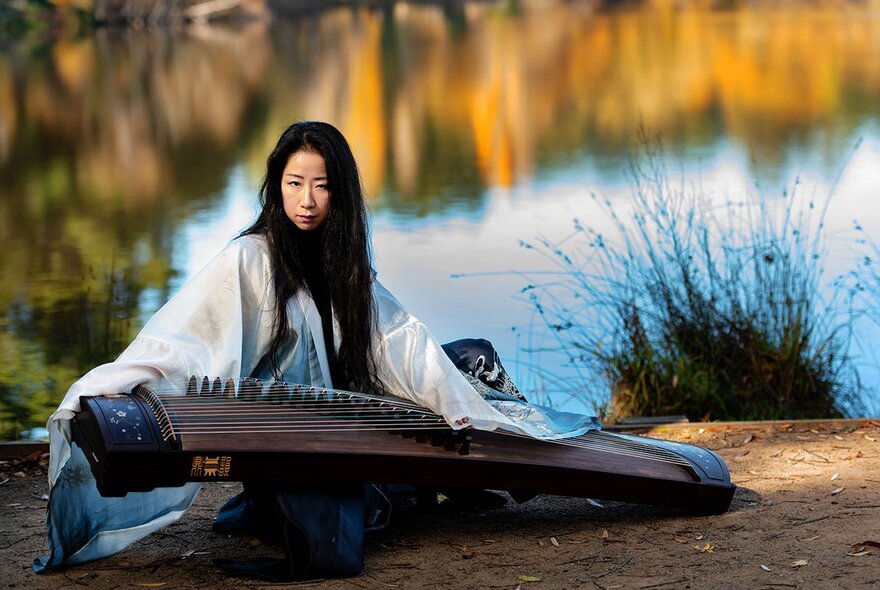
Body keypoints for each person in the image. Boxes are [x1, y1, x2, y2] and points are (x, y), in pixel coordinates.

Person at [34, 121, 597, 579]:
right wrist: (121, 381)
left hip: (358, 402)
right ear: (276, 186)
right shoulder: (249, 259)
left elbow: (398, 341)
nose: (307, 200)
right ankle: (437, 478)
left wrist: (459, 406)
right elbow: (187, 336)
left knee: (473, 357)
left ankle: (504, 467)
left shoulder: (345, 263)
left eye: (322, 185)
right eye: (294, 183)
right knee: (346, 503)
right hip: (293, 428)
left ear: (341, 191)